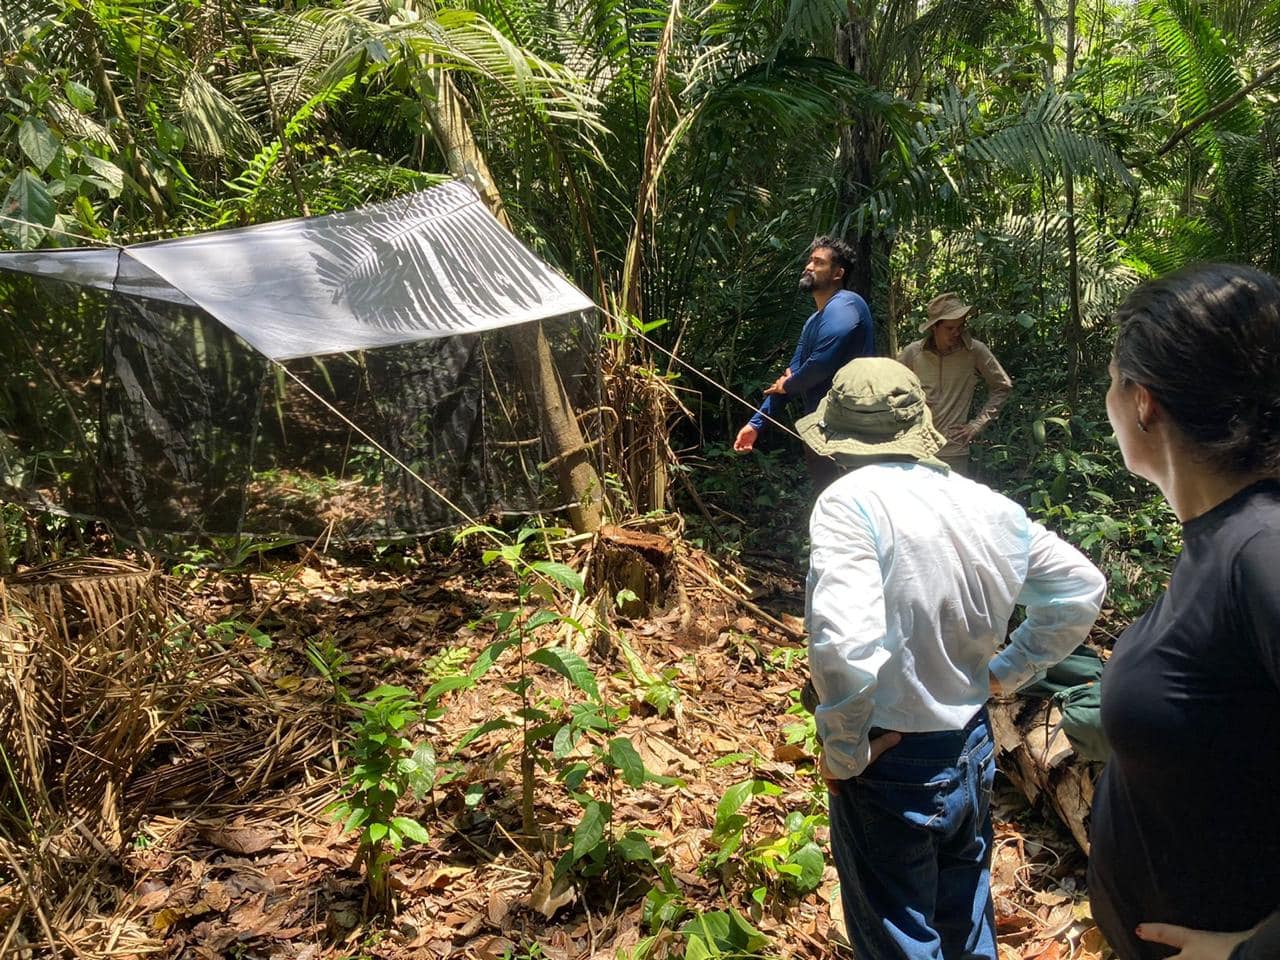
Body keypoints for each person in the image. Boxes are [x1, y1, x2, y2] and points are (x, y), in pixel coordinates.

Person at [798, 357, 1106, 960]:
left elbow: (845, 643)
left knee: (900, 938)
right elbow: (1080, 587)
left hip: (889, 758)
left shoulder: (846, 502)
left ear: (837, 437)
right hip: (970, 746)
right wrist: (1005, 672)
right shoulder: (989, 507)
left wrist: (843, 751)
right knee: (965, 919)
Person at [1087, 263, 1280, 960]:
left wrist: (1249, 951)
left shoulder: (1260, 549)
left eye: (1109, 381)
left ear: (1143, 402)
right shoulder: (1222, 537)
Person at [734, 236, 875, 491]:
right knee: (831, 503)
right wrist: (756, 424)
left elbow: (819, 365)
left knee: (854, 507)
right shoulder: (812, 322)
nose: (809, 266)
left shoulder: (847, 303)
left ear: (838, 273)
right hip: (819, 432)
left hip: (852, 433)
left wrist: (791, 382)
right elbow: (794, 376)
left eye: (818, 262)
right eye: (810, 260)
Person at [897, 293, 1011, 476]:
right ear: (935, 327)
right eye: (950, 328)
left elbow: (1002, 386)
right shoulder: (913, 353)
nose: (956, 333)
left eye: (960, 327)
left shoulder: (974, 351)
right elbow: (890, 388)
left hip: (955, 449)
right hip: (917, 449)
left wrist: (977, 425)